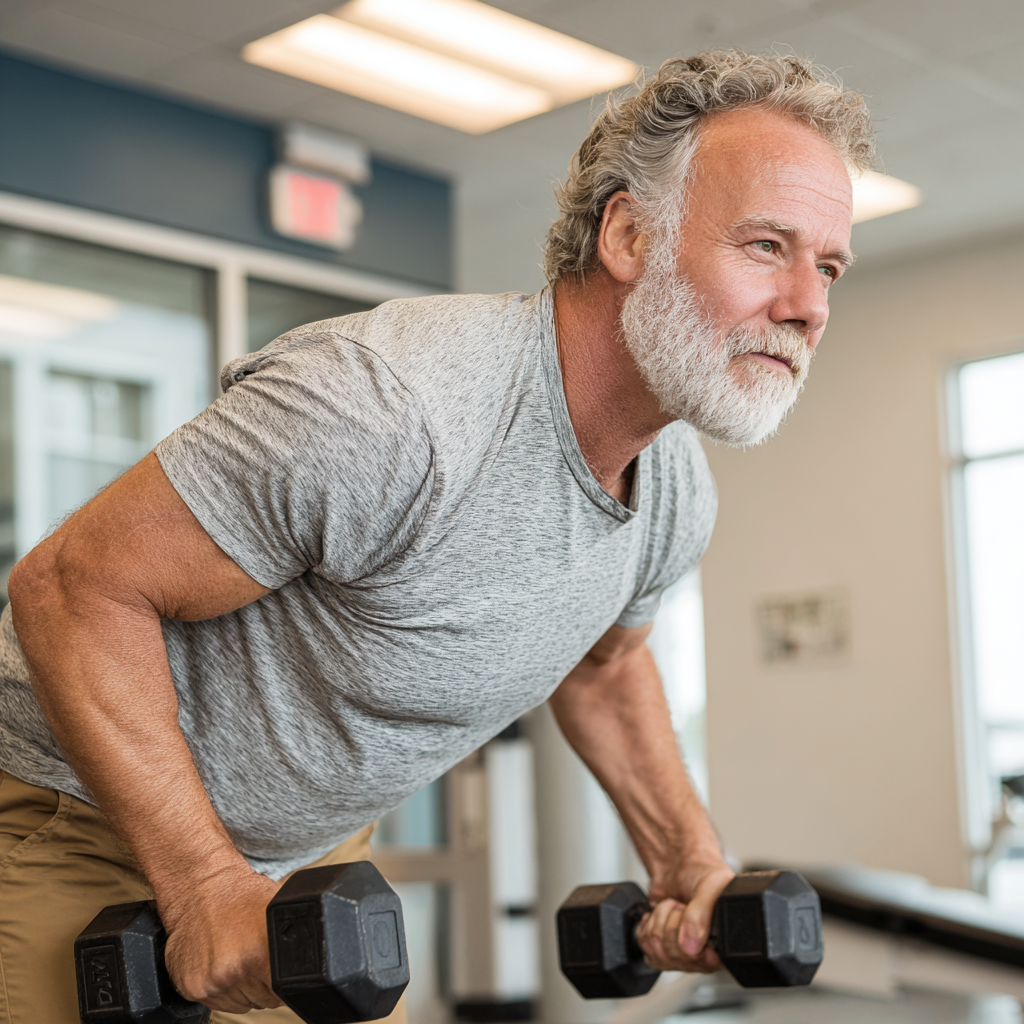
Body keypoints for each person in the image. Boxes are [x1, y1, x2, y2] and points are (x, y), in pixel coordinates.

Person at [0, 49, 872, 1023]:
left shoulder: (672, 492)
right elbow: (72, 587)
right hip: (70, 817)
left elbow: (603, 666)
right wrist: (202, 882)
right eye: (765, 247)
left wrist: (689, 866)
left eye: (827, 264)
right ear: (626, 232)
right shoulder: (395, 407)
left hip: (302, 864)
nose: (808, 305)